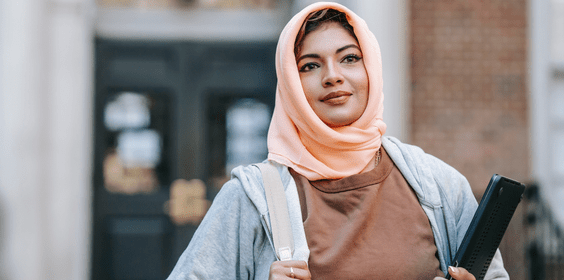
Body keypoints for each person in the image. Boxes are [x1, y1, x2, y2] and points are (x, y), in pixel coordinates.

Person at [167, 2, 509, 279]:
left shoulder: (440, 187)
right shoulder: (250, 198)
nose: (333, 76)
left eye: (349, 58)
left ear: (370, 69)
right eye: (309, 66)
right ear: (289, 84)